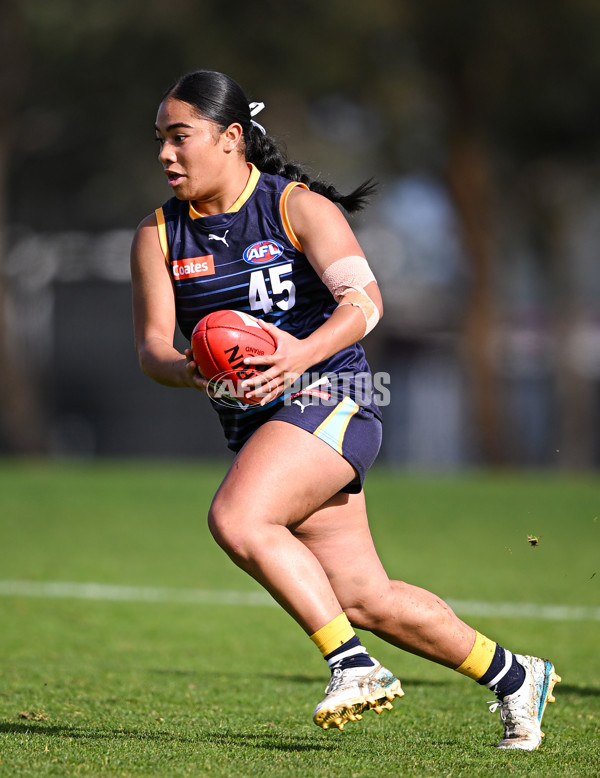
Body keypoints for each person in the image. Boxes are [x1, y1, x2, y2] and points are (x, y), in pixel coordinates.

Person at [130, 69, 560, 750]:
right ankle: (516, 675)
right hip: (258, 424)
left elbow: (365, 302)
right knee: (366, 597)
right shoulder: (158, 235)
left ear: (231, 137)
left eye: (180, 138)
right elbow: (154, 349)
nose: (164, 155)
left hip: (336, 396)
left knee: (239, 518)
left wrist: (297, 355)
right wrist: (195, 370)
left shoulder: (296, 207)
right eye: (160, 140)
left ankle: (352, 664)